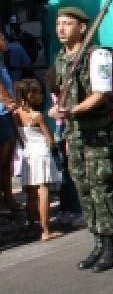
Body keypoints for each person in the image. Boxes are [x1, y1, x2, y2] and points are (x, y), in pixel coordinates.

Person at [49, 6, 113, 273]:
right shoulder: (61, 58)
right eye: (58, 24)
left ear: (82, 27)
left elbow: (101, 93)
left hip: (96, 132)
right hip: (75, 134)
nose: (61, 28)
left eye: (67, 23)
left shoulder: (97, 55)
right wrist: (57, 112)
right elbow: (60, 93)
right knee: (83, 189)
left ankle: (111, 246)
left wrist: (73, 111)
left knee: (101, 187)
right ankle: (98, 242)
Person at [14, 79, 61, 241]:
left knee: (31, 194)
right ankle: (46, 230)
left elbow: (19, 138)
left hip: (28, 153)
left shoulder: (16, 114)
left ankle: (32, 228)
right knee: (44, 191)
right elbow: (49, 138)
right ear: (30, 95)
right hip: (41, 153)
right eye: (39, 93)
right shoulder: (37, 116)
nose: (42, 96)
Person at [44, 67, 82, 227]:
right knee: (71, 173)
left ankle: (65, 211)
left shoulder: (55, 91)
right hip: (66, 129)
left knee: (66, 174)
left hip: (60, 130)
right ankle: (75, 211)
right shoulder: (63, 93)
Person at [0, 32, 20, 212]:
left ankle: (8, 197)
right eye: (2, 39)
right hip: (1, 114)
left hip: (6, 114)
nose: (5, 42)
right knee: (2, 160)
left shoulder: (2, 62)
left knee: (7, 162)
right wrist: (10, 104)